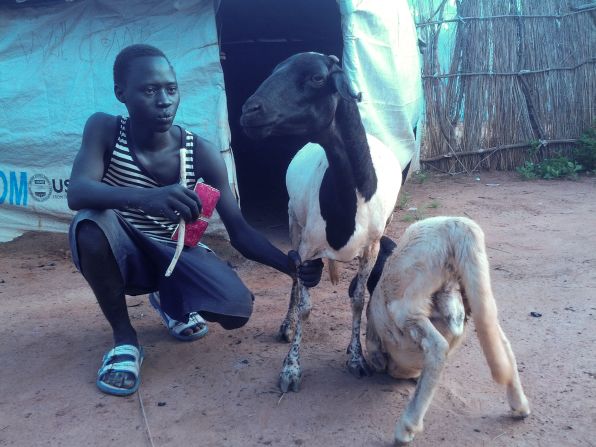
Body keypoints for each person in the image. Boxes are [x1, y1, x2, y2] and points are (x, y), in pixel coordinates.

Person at [67, 44, 323, 397]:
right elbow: (77, 192)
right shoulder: (105, 129)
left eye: (171, 89)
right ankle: (125, 340)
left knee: (234, 309)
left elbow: (239, 230)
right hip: (123, 247)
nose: (163, 100)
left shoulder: (198, 150)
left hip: (172, 252)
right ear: (121, 93)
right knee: (90, 226)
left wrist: (290, 265)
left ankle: (170, 301)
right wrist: (148, 198)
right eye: (149, 90)